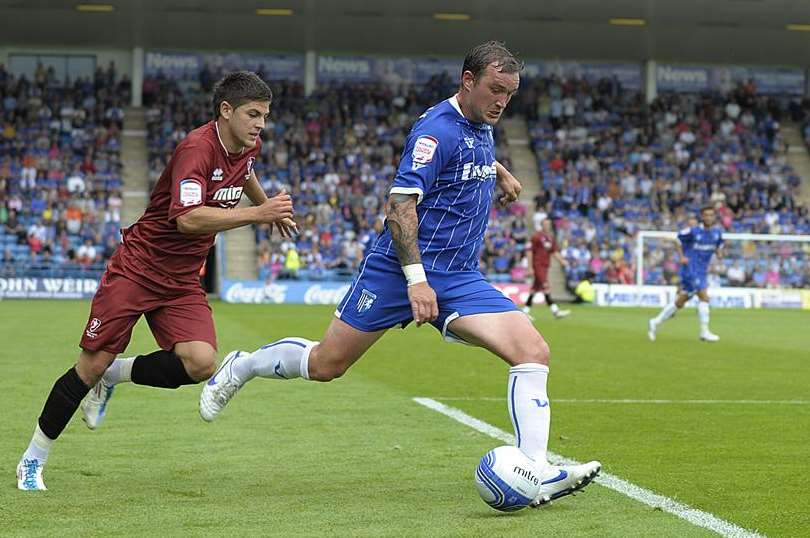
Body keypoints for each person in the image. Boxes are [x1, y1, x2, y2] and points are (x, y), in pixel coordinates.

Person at [200, 41, 600, 507]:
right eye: (495, 90)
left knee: (532, 350)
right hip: (397, 270)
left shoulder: (480, 122)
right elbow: (399, 208)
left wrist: (499, 171)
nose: (501, 102)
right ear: (467, 81)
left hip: (458, 275)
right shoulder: (435, 130)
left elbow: (466, 153)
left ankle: (537, 470)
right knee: (328, 364)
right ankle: (244, 364)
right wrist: (416, 280)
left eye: (509, 94)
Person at [16, 71, 297, 491]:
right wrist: (259, 215)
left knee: (201, 362)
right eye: (253, 114)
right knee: (90, 365)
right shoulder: (196, 149)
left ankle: (117, 375)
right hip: (138, 268)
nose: (260, 124)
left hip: (182, 279)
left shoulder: (247, 144)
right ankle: (33, 458)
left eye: (265, 115)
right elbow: (187, 220)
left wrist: (267, 205)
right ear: (225, 111)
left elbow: (246, 171)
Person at [648, 206, 724, 342]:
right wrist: (682, 256)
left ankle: (655, 322)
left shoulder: (717, 233)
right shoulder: (693, 231)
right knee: (704, 297)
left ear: (714, 217)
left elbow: (719, 248)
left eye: (711, 215)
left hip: (701, 270)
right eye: (706, 215)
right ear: (702, 217)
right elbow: (678, 240)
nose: (708, 217)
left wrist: (719, 254)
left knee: (680, 302)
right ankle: (704, 332)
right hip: (690, 269)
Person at [522, 218, 570, 319]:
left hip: (545, 265)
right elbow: (529, 251)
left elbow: (554, 251)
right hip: (538, 264)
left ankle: (525, 311)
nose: (547, 226)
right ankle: (555, 311)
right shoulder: (536, 237)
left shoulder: (551, 238)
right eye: (545, 224)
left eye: (548, 224)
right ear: (541, 225)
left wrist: (562, 261)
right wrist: (530, 267)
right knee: (546, 286)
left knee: (535, 289)